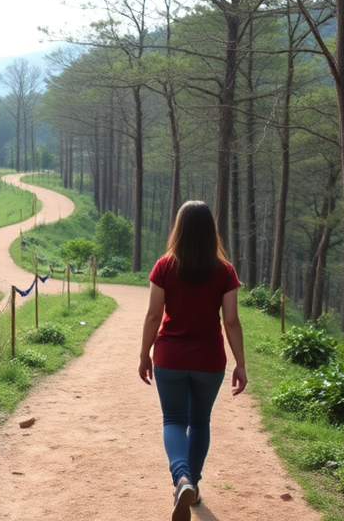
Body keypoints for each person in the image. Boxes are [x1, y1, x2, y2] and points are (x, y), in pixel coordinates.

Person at [138, 200, 247, 521]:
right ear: (211, 231)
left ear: (179, 229)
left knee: (173, 420)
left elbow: (153, 315)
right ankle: (193, 487)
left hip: (170, 357)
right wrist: (240, 363)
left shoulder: (164, 266)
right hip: (209, 360)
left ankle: (181, 478)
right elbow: (231, 321)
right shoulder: (225, 271)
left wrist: (144, 354)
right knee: (199, 422)